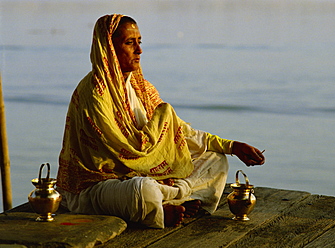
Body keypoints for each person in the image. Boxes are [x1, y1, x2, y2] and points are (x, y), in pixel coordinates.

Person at [56, 14, 265, 229]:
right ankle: (163, 202)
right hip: (98, 184)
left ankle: (169, 197)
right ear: (108, 48)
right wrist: (158, 171)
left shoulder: (143, 89)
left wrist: (231, 146)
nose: (139, 50)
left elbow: (180, 132)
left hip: (149, 174)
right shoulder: (94, 93)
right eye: (130, 43)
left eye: (139, 42)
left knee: (216, 160)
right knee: (141, 190)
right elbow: (120, 154)